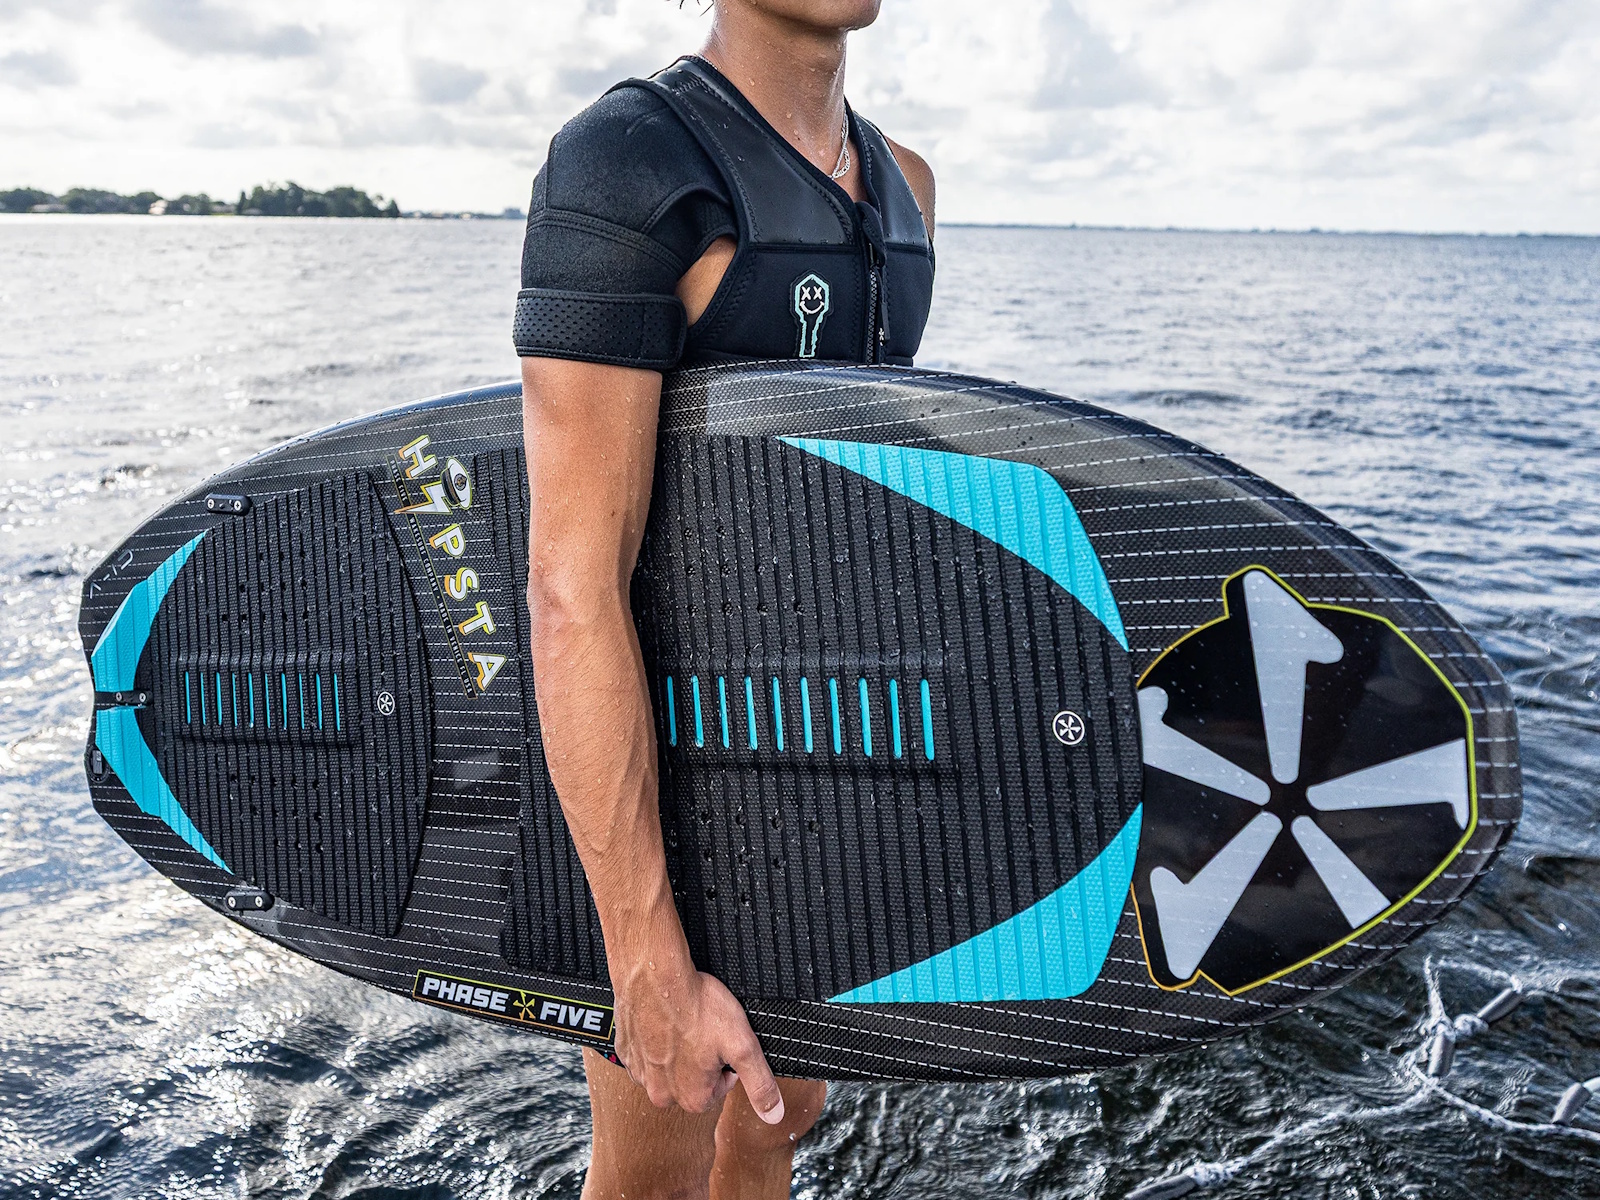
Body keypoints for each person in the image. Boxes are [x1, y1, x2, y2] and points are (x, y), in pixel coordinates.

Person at [513, 1, 935, 1195]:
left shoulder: (905, 185)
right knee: (655, 1165)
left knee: (778, 1116)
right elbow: (571, 585)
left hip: (817, 764)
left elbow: (851, 519)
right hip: (652, 779)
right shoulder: (627, 160)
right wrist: (643, 951)